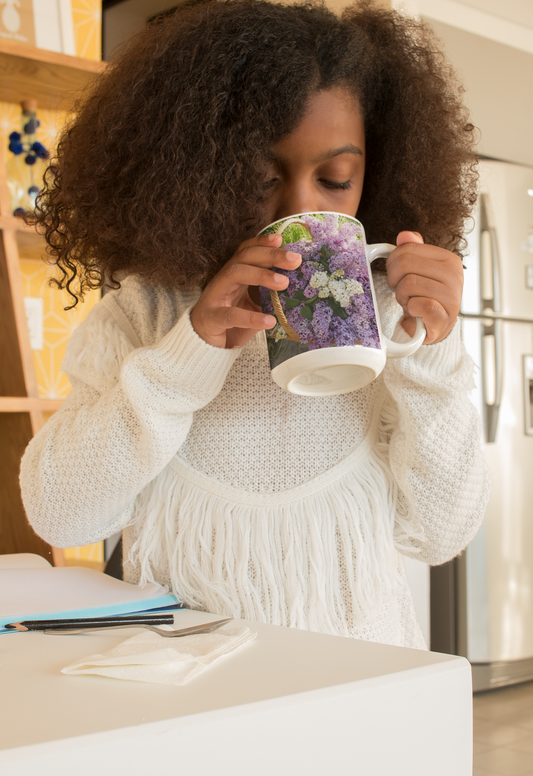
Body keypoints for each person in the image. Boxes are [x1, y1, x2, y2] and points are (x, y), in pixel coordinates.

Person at [20, 0, 490, 649]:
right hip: (193, 709)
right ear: (196, 171)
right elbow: (62, 513)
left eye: (335, 178)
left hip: (358, 703)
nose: (300, 208)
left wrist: (431, 357)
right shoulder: (147, 315)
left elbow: (440, 534)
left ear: (372, 174)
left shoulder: (391, 323)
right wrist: (187, 354)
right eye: (259, 177)